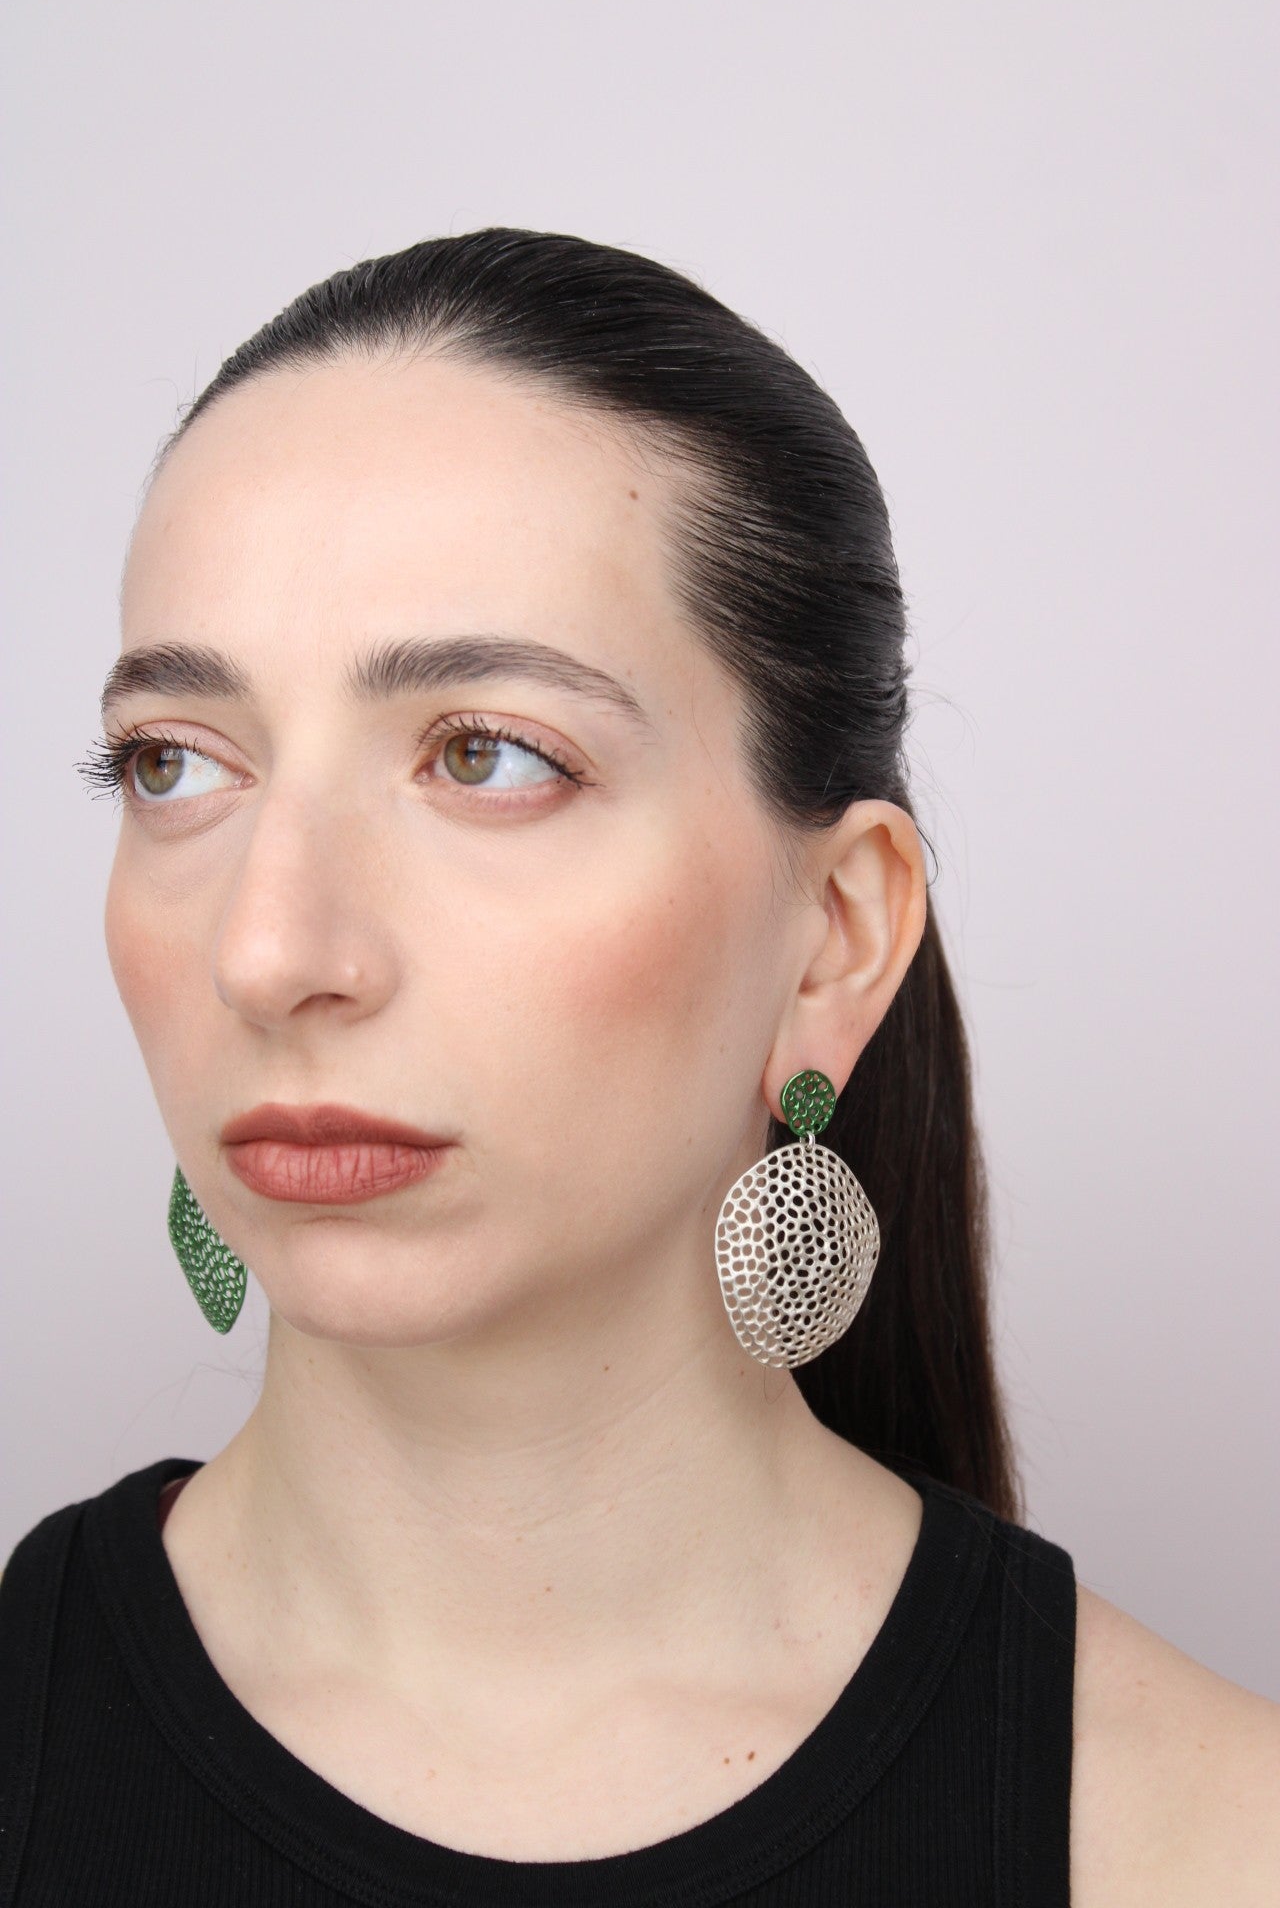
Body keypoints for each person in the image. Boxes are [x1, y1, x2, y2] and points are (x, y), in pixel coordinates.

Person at [1, 228, 1275, 1906]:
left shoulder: (1204, 1846)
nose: (270, 948)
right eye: (176, 764)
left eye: (490, 756)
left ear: (832, 934)